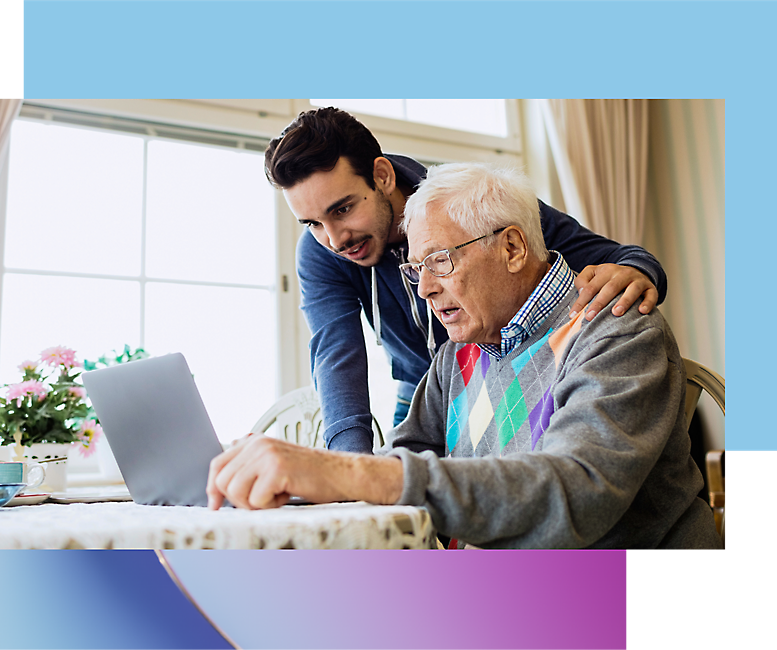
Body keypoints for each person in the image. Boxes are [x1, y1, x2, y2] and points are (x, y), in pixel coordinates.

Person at [207, 163, 721, 549]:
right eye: (415, 269)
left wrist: (348, 474)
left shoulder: (616, 331)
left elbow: (572, 493)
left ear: (514, 249)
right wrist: (309, 482)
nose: (425, 289)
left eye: (440, 262)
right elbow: (403, 457)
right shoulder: (459, 355)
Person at [264, 107, 668, 454]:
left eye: (343, 209)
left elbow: (613, 256)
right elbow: (336, 354)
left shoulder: (465, 206)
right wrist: (346, 468)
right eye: (313, 223)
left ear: (382, 176)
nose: (334, 239)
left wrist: (637, 271)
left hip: (504, 372)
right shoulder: (321, 252)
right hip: (424, 389)